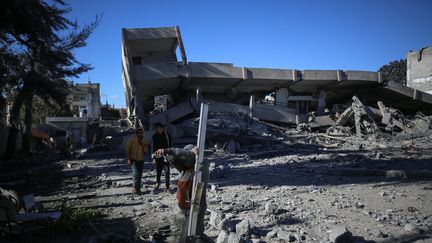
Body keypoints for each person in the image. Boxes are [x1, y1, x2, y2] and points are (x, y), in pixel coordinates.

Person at [154, 145, 210, 243]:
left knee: (192, 227)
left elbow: (183, 155)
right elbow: (176, 158)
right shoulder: (186, 168)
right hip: (188, 203)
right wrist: (167, 152)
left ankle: (197, 237)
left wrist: (168, 150)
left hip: (193, 203)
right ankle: (197, 236)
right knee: (193, 227)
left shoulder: (198, 165)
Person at [125, 127, 150, 194]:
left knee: (140, 175)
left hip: (141, 159)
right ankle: (134, 188)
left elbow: (146, 151)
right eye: (139, 132)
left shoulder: (144, 140)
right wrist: (129, 158)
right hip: (133, 159)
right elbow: (127, 149)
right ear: (136, 133)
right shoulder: (132, 139)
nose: (140, 134)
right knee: (136, 174)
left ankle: (138, 189)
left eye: (141, 133)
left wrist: (143, 145)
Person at [152, 123, 172, 191]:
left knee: (167, 171)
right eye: (156, 128)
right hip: (158, 156)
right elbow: (153, 147)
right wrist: (154, 157)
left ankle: (167, 186)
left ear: (161, 128)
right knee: (158, 171)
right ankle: (158, 183)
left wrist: (171, 154)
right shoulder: (154, 136)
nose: (157, 129)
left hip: (166, 155)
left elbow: (170, 145)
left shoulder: (167, 135)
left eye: (158, 127)